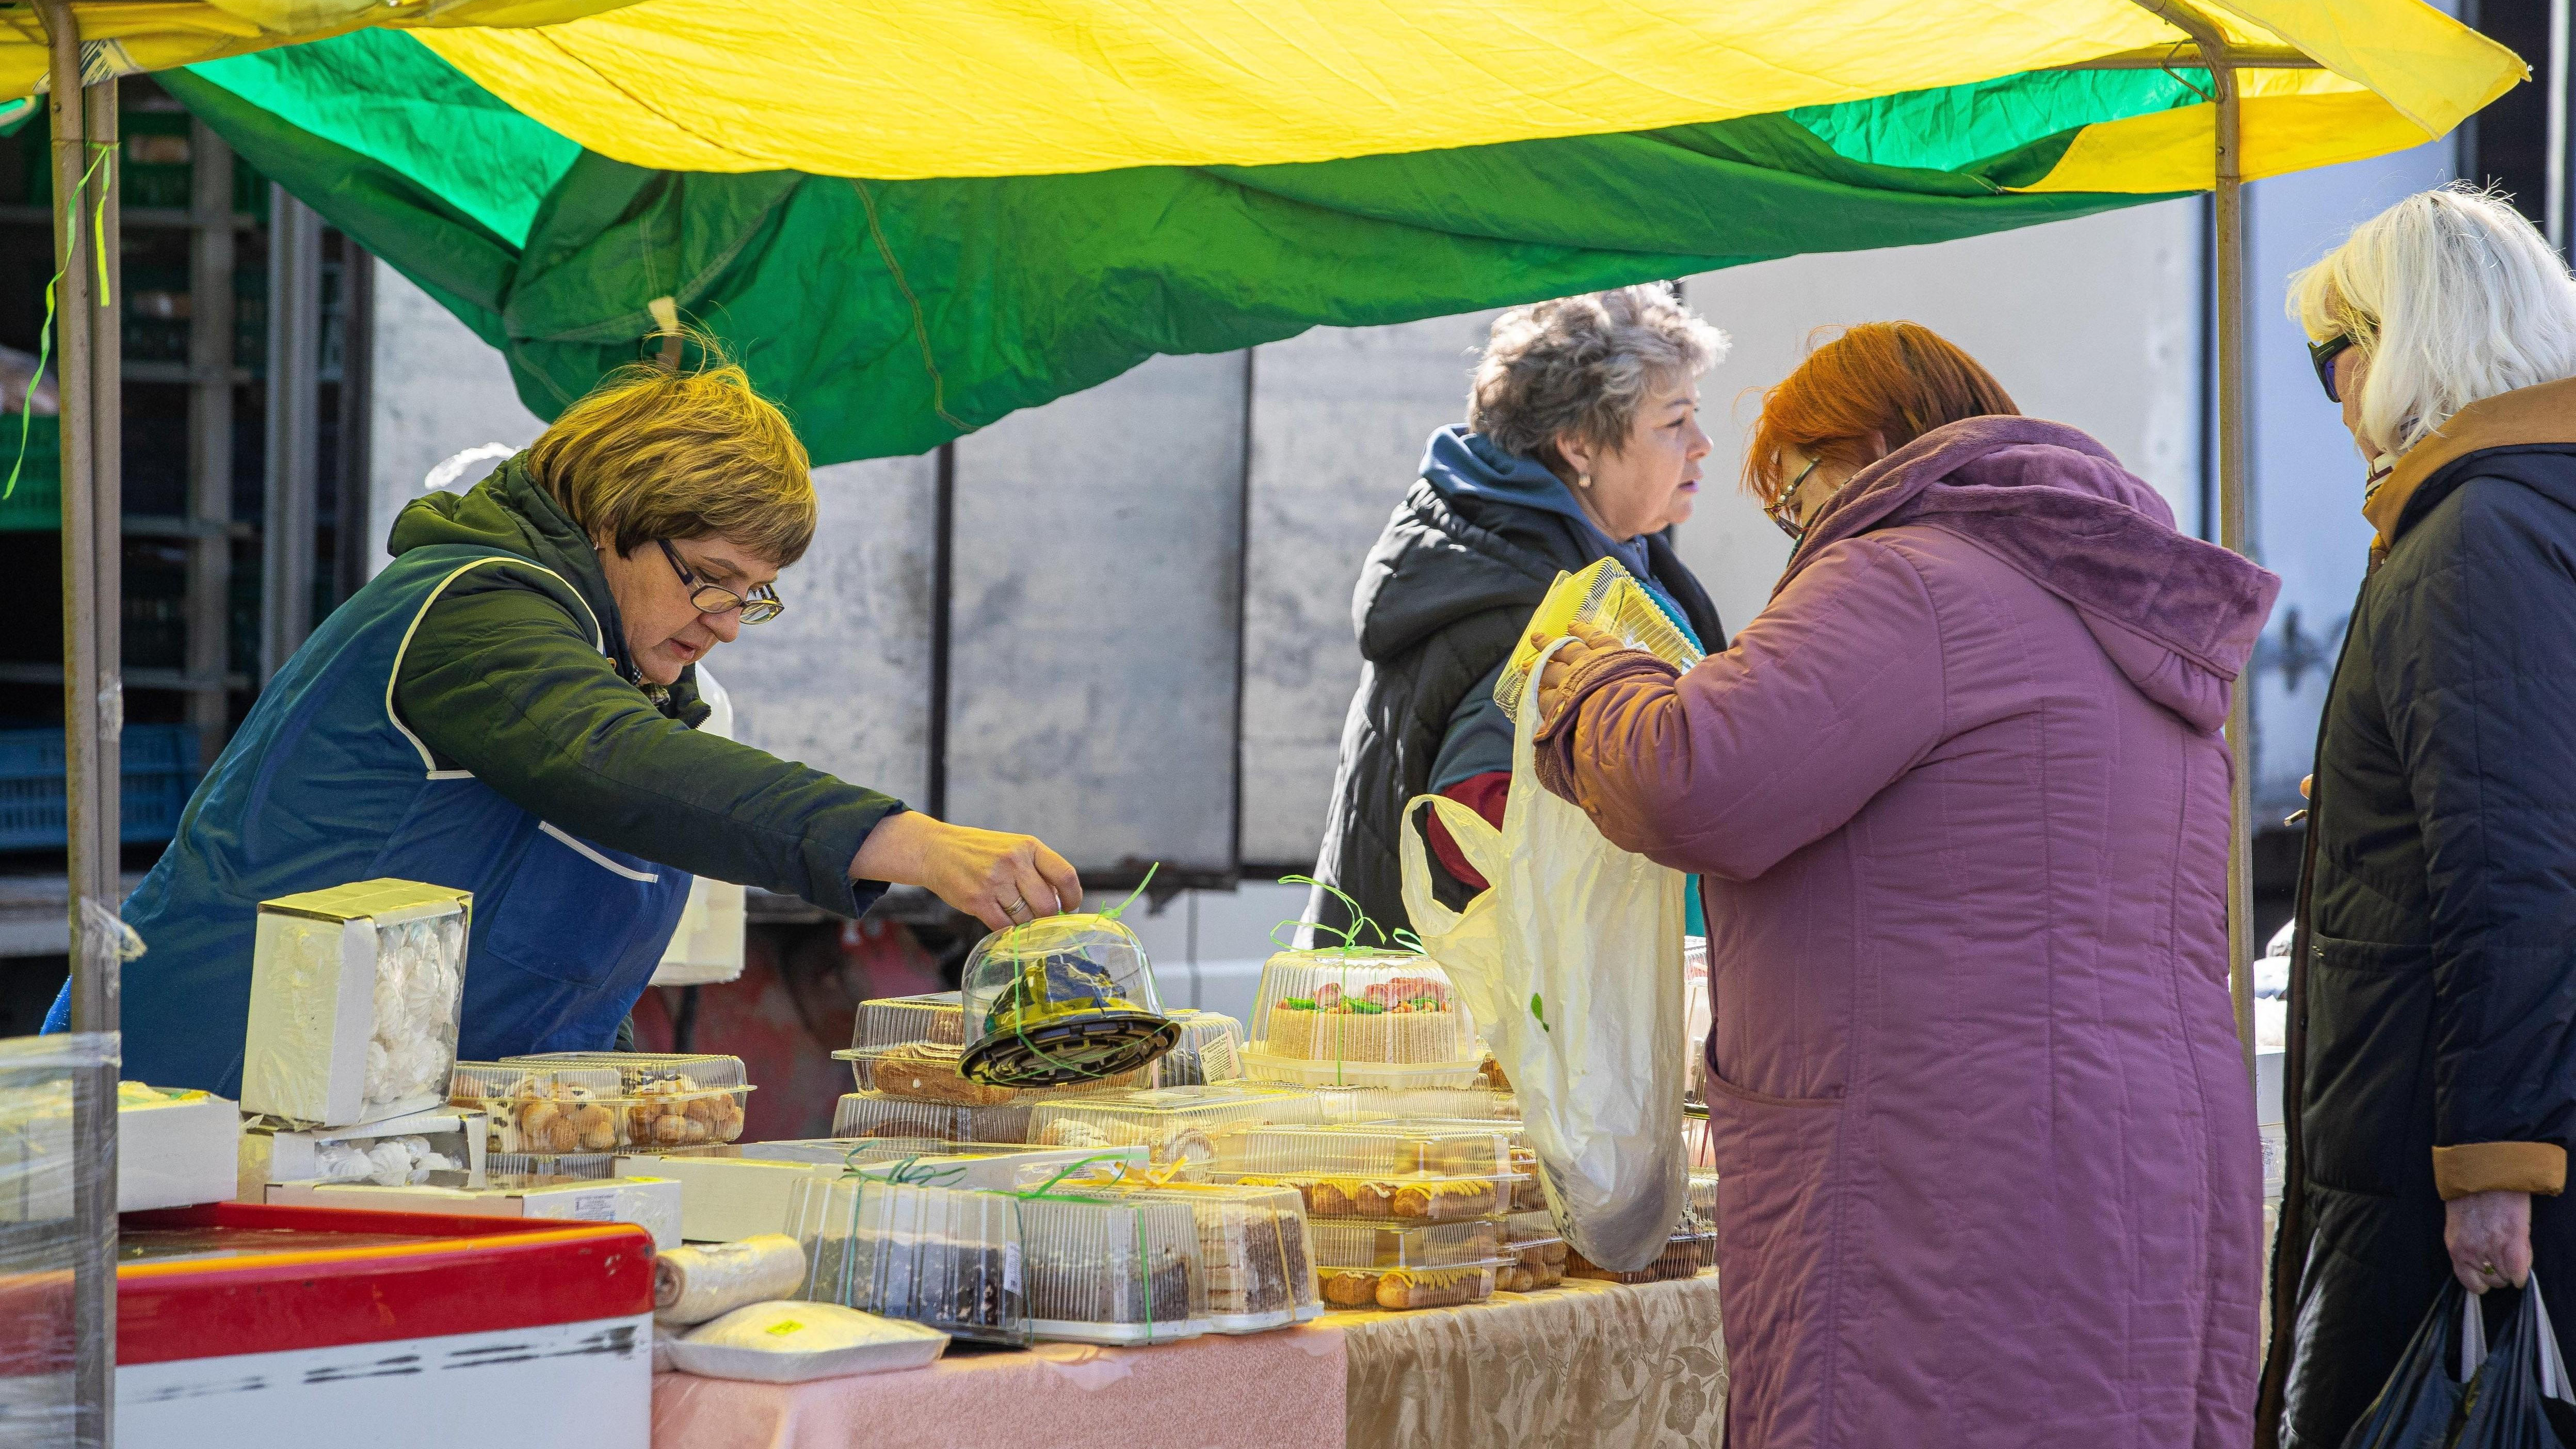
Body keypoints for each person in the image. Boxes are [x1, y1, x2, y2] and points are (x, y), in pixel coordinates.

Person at [1530, 321, 2273, 1447]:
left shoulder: (1902, 575)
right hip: (2144, 1166)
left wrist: (1601, 683)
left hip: (1942, 1179)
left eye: (1796, 495)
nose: (1798, 538)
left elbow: (1696, 778)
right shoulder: (2116, 602)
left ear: (1872, 445)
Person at [61, 353, 1082, 1093]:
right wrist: (909, 841)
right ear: (611, 521)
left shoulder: (635, 677)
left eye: (753, 597)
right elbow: (615, 765)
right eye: (708, 583)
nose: (725, 626)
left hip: (389, 1147)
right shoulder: (470, 609)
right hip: (189, 1107)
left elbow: (549, 973)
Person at [2257, 187, 2576, 1448]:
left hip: (2439, 1141)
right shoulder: (2513, 508)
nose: (2333, 395)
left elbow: (2511, 867)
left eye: (2331, 355)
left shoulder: (2476, 534)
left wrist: (2493, 1163)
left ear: (2398, 346)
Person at [1308, 284, 1725, 938]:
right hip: (1463, 1025)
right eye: (1673, 422)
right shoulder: (1537, 608)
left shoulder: (1592, 562)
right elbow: (1471, 826)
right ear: (1580, 445)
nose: (1702, 444)